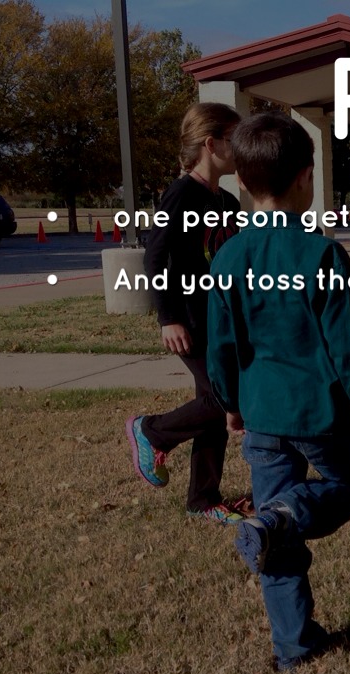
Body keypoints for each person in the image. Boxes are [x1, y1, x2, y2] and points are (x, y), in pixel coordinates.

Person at [205, 111, 350, 671]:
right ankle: (280, 518)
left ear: (241, 182)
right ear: (308, 177)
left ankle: (293, 648)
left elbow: (222, 346)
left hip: (260, 417)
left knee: (272, 534)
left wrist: (230, 403)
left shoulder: (229, 257)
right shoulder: (321, 254)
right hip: (319, 417)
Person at [125, 102, 246, 524]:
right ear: (212, 144)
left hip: (221, 319)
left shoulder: (228, 201)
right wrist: (167, 317)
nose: (242, 146)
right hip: (190, 318)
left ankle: (203, 498)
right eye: (236, 138)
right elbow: (155, 258)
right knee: (222, 396)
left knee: (213, 404)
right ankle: (151, 431)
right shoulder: (180, 194)